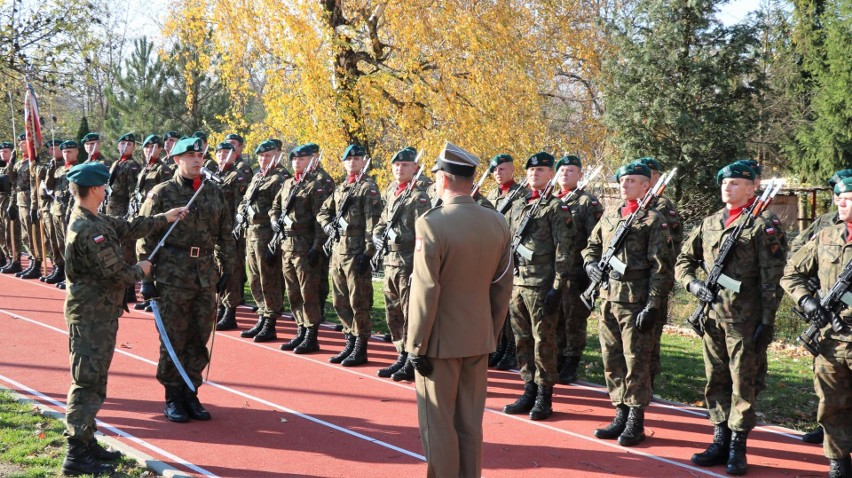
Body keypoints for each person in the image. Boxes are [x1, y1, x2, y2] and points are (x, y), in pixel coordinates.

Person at [62, 162, 183, 476]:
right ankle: (76, 454)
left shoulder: (93, 218)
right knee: (87, 383)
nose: (107, 190)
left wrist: (163, 219)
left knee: (95, 381)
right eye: (103, 186)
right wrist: (140, 271)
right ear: (95, 190)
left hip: (99, 313)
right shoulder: (87, 229)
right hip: (90, 316)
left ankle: (86, 441)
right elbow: (116, 273)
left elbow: (126, 227)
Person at [406, 142, 513, 478]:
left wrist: (415, 344)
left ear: (446, 179)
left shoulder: (432, 223)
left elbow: (426, 289)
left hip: (438, 343)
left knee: (437, 426)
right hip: (477, 338)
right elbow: (502, 287)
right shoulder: (497, 223)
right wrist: (489, 333)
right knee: (469, 424)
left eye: (437, 176)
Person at [675, 162, 786, 475]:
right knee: (716, 380)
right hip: (711, 317)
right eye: (725, 182)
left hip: (744, 320)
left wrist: (768, 320)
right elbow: (684, 260)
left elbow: (772, 278)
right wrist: (693, 284)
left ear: (752, 188)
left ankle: (738, 446)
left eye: (736, 183)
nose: (728, 187)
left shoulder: (764, 223)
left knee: (743, 384)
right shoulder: (711, 222)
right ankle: (719, 438)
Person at [137, 136, 234, 423]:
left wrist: (228, 269)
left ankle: (191, 390)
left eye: (199, 155)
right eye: (189, 156)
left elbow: (225, 234)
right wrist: (147, 277)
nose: (196, 160)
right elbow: (145, 237)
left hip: (204, 275)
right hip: (172, 275)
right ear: (177, 160)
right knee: (173, 338)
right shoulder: (162, 193)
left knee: (198, 337)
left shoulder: (213, 192)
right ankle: (172, 395)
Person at [582, 161, 673, 446]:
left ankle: (636, 419)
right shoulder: (611, 214)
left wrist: (653, 305)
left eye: (632, 180)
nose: (625, 185)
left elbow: (662, 268)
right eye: (623, 180)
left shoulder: (654, 220)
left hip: (636, 299)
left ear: (647, 185)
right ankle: (619, 412)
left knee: (636, 362)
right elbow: (591, 245)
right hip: (609, 296)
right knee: (612, 360)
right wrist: (590, 265)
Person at [781, 176, 852, 478]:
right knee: (832, 405)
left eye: (848, 197)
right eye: (840, 197)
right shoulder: (827, 236)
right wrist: (809, 303)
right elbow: (791, 274)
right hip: (832, 340)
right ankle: (838, 465)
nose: (840, 201)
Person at [503, 151, 576, 421]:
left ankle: (545, 396)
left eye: (542, 170)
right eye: (532, 171)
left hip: (541, 285)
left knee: (544, 341)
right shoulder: (520, 204)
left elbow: (564, 250)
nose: (535, 174)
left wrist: (558, 286)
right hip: (518, 282)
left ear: (551, 175)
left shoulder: (556, 208)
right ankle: (528, 389)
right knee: (521, 339)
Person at [317, 144, 383, 366]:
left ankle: (360, 346)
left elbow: (373, 225)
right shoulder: (341, 188)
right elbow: (323, 212)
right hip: (338, 250)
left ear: (364, 162)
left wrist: (368, 253)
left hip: (357, 252)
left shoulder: (368, 188)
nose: (352, 162)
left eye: (357, 159)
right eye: (348, 160)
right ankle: (349, 339)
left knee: (359, 301)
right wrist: (328, 227)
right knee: (339, 301)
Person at [372, 147, 431, 380]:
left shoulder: (419, 196)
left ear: (415, 168)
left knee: (409, 314)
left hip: (408, 262)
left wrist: (419, 267)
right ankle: (400, 354)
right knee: (393, 312)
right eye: (396, 165)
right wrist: (377, 236)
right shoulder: (393, 191)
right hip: (390, 261)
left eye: (405, 165)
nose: (399, 168)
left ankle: (410, 358)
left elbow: (423, 235)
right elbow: (382, 220)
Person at [270, 145, 330, 353]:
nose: (297, 162)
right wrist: (274, 220)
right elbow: (275, 208)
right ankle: (300, 330)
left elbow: (320, 220)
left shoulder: (315, 187)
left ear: (310, 162)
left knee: (308, 293)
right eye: (294, 159)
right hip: (287, 245)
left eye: (302, 159)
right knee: (293, 292)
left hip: (305, 246)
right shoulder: (287, 184)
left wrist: (316, 247)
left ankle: (311, 335)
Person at [554, 155, 603, 384]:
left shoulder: (586, 203)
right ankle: (557, 356)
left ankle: (571, 361)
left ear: (580, 175)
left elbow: (596, 238)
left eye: (571, 170)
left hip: (575, 270)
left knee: (573, 318)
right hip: (553, 270)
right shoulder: (552, 200)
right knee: (555, 317)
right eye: (562, 170)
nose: (565, 173)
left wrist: (588, 268)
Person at [237, 140, 288, 342]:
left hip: (266, 234)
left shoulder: (278, 179)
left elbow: (280, 210)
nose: (263, 159)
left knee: (269, 280)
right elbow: (245, 201)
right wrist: (242, 212)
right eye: (260, 156)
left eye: (267, 156)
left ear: (276, 155)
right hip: (251, 233)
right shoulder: (258, 176)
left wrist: (274, 241)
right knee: (255, 279)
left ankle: (270, 321)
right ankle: (262, 314)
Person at [484, 153, 527, 371]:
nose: (498, 173)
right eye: (495, 170)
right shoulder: (491, 195)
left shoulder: (523, 195)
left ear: (511, 170)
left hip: (513, 257)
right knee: (495, 302)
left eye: (502, 169)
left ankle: (510, 349)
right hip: (494, 256)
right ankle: (499, 346)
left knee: (510, 306)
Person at [210, 141, 251, 329]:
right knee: (216, 269)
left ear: (234, 156)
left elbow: (241, 207)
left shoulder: (238, 177)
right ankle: (219, 307)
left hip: (230, 232)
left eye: (227, 153)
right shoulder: (213, 176)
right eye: (219, 153)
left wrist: (234, 231)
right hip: (213, 231)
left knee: (231, 272)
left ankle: (230, 311)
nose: (222, 156)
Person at [43, 140, 79, 286]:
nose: (66, 154)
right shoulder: (59, 169)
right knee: (59, 244)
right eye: (64, 152)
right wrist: (51, 171)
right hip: (56, 210)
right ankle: (62, 270)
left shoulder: (78, 168)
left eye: (69, 151)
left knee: (70, 245)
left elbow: (76, 193)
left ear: (77, 152)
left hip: (68, 211)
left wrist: (71, 210)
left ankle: (72, 275)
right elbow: (49, 186)